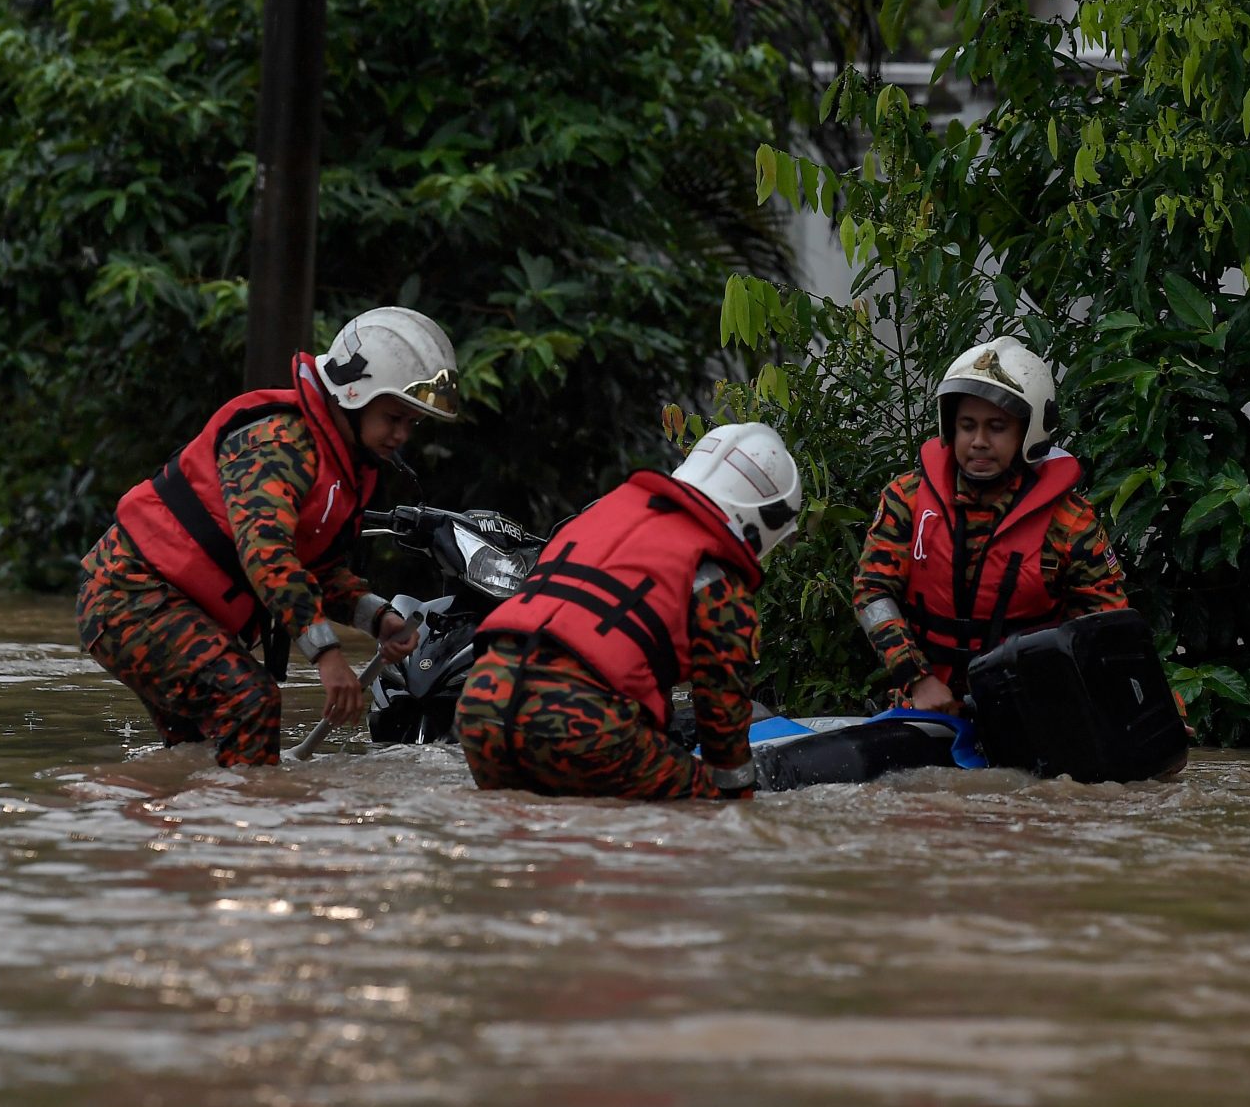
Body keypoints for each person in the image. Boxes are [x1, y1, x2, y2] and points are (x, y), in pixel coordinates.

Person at [76, 308, 460, 767]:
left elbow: (317, 571)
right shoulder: (279, 442)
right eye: (393, 417)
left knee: (197, 757)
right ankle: (253, 828)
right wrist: (327, 656)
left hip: (170, 607)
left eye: (411, 424)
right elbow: (266, 552)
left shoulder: (343, 464)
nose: (400, 435)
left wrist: (379, 620)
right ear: (353, 397)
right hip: (130, 596)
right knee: (250, 702)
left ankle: (186, 831)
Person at [457, 421, 802, 801]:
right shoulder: (717, 580)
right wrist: (738, 800)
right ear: (762, 520)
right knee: (709, 809)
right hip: (581, 726)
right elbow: (723, 716)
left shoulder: (603, 515)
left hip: (481, 707)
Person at [853, 338, 1127, 712]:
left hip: (1031, 711)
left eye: (996, 427)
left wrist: (1155, 707)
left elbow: (1110, 631)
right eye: (967, 426)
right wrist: (915, 677)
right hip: (923, 704)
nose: (978, 442)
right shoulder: (908, 499)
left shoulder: (1069, 522)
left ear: (1028, 433)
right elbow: (872, 593)